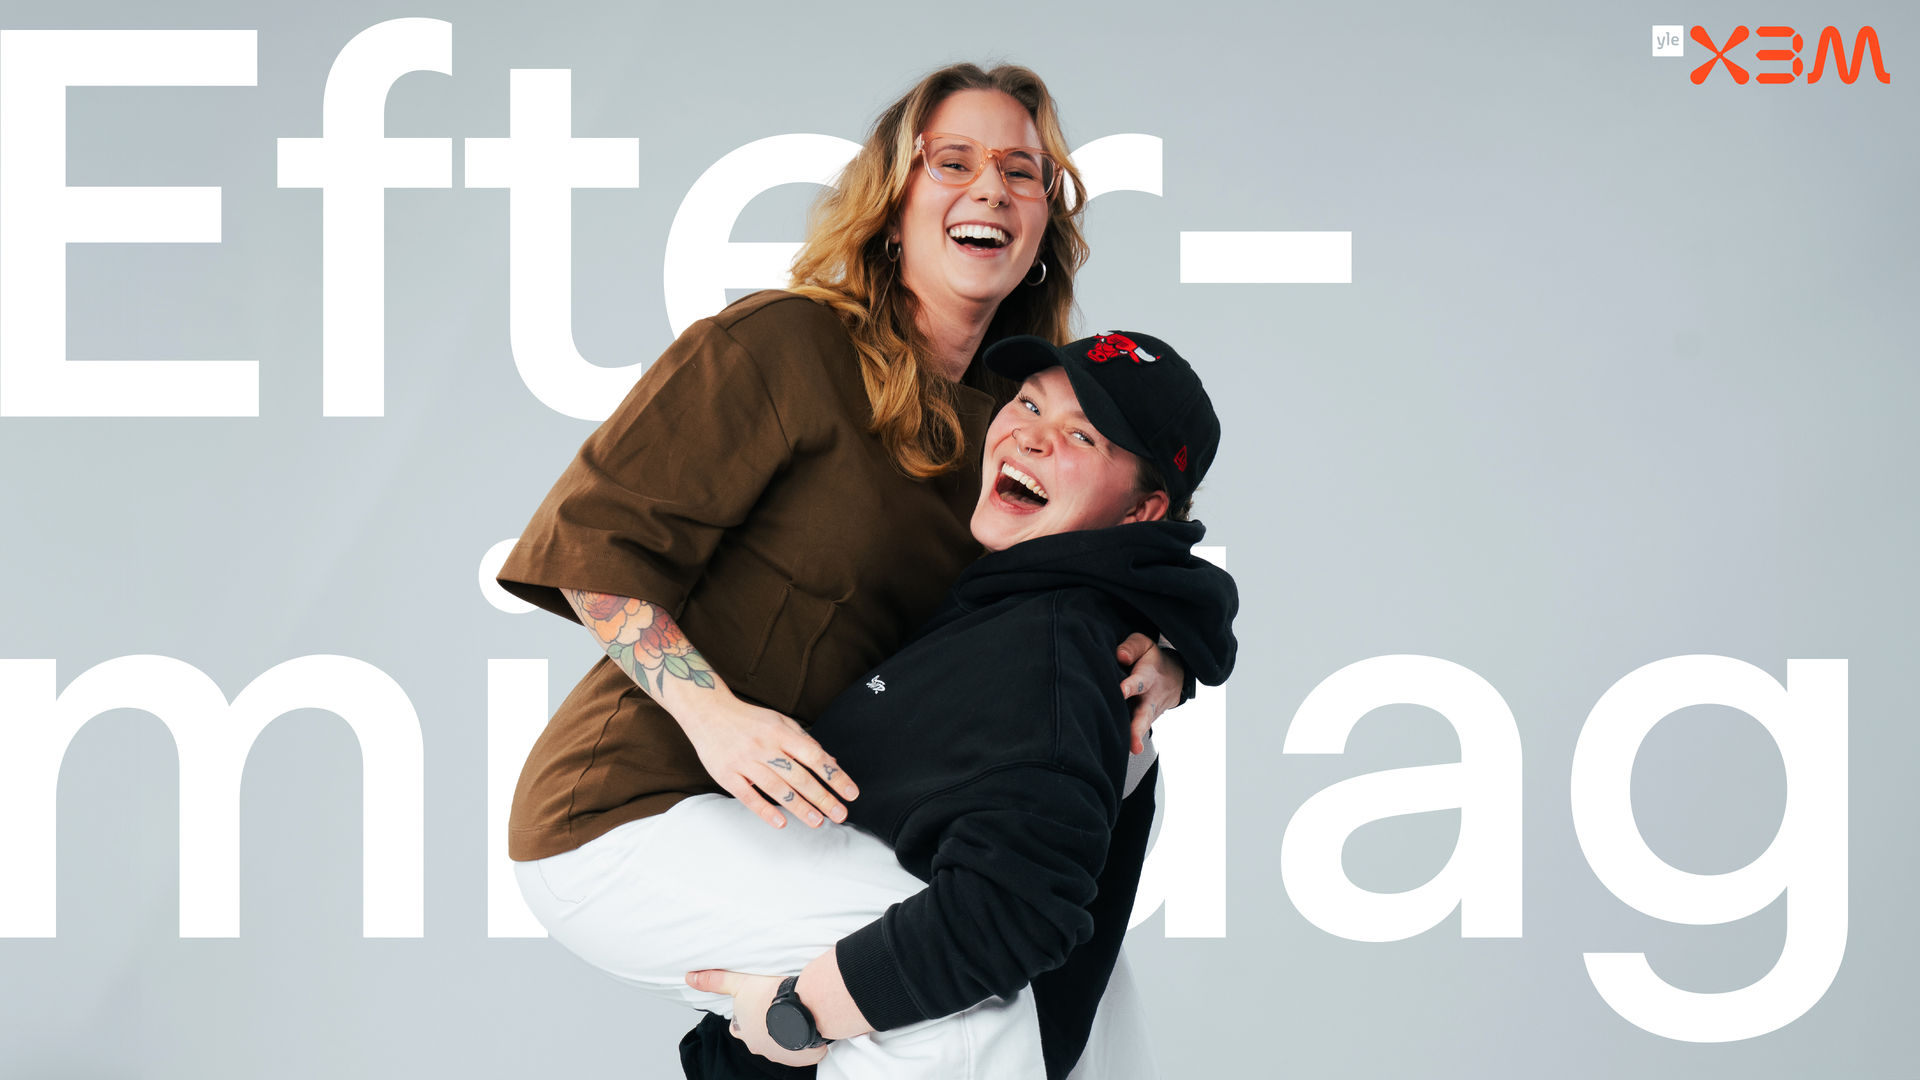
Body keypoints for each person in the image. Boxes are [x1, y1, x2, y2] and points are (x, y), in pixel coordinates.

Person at [496, 63, 1188, 1078]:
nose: (990, 189)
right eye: (953, 162)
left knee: (1073, 995)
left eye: (1021, 172)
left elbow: (1084, 576)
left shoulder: (1011, 425)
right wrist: (714, 716)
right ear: (893, 201)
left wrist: (1162, 651)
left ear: (1046, 219)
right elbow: (595, 548)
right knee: (963, 986)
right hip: (633, 807)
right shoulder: (782, 345)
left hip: (821, 817)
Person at [678, 330, 1236, 1080]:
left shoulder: (1056, 654)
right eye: (1029, 403)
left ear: (1141, 511)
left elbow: (1012, 913)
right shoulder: (1023, 599)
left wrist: (794, 1013)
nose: (1031, 437)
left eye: (1082, 435)